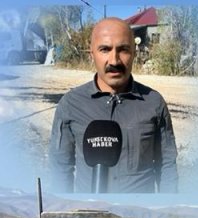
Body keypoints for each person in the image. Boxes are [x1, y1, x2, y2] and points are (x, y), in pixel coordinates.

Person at [48, 17, 178, 193]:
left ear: (134, 53)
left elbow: (167, 165)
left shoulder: (154, 103)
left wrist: (168, 207)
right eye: (105, 49)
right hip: (90, 209)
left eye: (123, 50)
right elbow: (60, 169)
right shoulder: (70, 104)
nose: (114, 61)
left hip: (139, 210)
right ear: (92, 55)